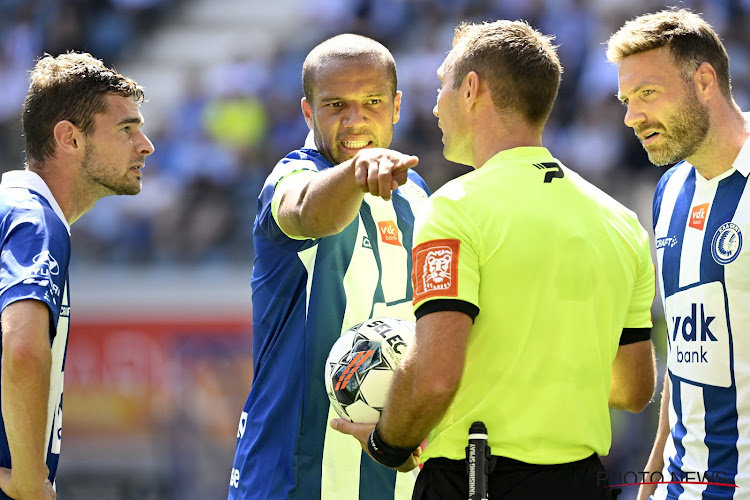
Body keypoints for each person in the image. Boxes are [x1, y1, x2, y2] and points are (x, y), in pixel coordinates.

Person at [332, 19, 657, 500]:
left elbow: (435, 376)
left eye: (442, 84)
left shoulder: (455, 207)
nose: (435, 104)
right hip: (584, 483)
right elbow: (634, 389)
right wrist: (535, 359)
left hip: (477, 481)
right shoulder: (622, 222)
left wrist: (388, 444)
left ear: (471, 89)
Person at [228, 34, 430, 500]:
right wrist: (359, 171)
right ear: (308, 112)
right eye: (335, 104)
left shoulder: (416, 192)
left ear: (396, 106)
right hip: (293, 479)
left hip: (396, 478)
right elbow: (304, 210)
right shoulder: (294, 175)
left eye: (373, 102)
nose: (355, 119)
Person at [607, 8, 750, 500]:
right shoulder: (669, 190)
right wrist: (650, 482)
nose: (632, 116)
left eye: (647, 93)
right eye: (626, 99)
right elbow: (685, 360)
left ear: (705, 80)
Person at [0, 52, 154, 500]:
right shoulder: (35, 219)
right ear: (69, 138)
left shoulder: (12, 204)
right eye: (126, 129)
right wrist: (28, 481)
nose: (145, 145)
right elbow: (25, 350)